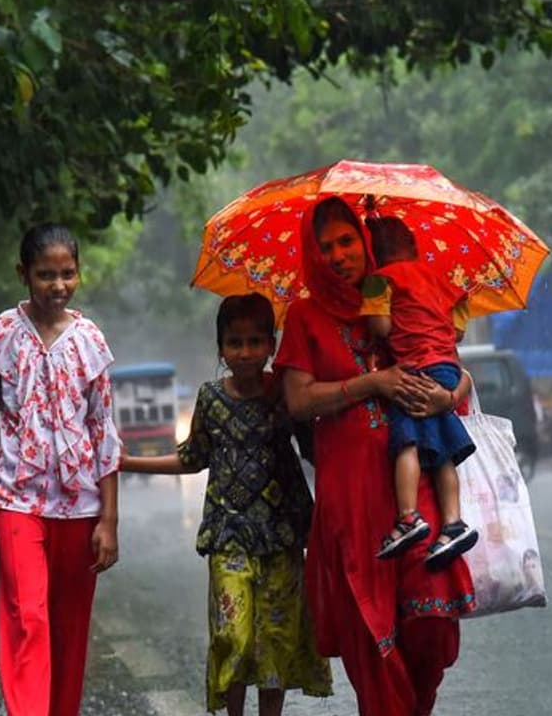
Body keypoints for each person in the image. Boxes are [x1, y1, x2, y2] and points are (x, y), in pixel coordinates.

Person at [277, 195, 477, 716]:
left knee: (431, 621)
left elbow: (452, 365)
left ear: (366, 242)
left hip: (416, 487)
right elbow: (298, 400)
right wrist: (373, 383)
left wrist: (450, 396)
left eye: (347, 241)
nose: (338, 255)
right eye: (326, 248)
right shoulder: (304, 315)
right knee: (373, 637)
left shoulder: (396, 293)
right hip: (352, 497)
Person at [122, 294, 332, 716]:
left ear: (271, 345)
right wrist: (128, 462)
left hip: (282, 534)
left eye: (256, 341)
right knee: (231, 636)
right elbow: (192, 457)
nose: (245, 352)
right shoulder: (211, 398)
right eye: (235, 342)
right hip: (227, 534)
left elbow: (318, 450)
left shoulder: (287, 393)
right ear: (220, 348)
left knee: (276, 638)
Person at [0, 223, 122, 716]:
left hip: (81, 506)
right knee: (29, 617)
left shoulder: (90, 341)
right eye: (46, 274)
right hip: (17, 500)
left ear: (79, 273)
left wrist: (109, 520)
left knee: (70, 630)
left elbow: (103, 431)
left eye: (68, 274)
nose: (58, 285)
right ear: (23, 274)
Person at [359, 216, 478, 569]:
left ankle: (408, 517)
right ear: (413, 246)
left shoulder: (379, 280)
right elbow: (457, 332)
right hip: (448, 370)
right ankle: (453, 523)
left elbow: (382, 327)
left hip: (415, 371)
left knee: (407, 444)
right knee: (442, 453)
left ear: (375, 255)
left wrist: (373, 304)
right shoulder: (442, 279)